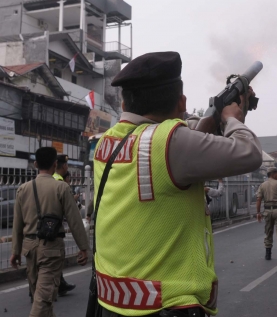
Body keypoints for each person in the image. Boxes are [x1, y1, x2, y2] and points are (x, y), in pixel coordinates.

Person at [92, 52, 262, 317]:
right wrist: (232, 117)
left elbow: (182, 138)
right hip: (169, 305)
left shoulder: (107, 141)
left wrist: (215, 118)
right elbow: (249, 153)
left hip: (113, 303)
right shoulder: (170, 142)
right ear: (181, 101)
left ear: (124, 101)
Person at [10, 147, 89, 317]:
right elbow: (75, 221)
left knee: (42, 299)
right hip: (52, 250)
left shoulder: (23, 189)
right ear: (55, 164)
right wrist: (84, 248)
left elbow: (17, 224)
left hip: (29, 249)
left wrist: (15, 252)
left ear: (36, 164)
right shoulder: (61, 188)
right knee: (43, 302)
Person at [50, 154, 78, 297]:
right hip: (55, 227)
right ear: (64, 166)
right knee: (56, 259)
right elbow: (70, 213)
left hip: (43, 227)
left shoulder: (49, 179)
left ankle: (59, 284)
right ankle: (56, 286)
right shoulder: (61, 183)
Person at [256, 167, 277, 262]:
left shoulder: (262, 185)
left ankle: (268, 254)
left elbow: (259, 199)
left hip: (267, 212)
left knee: (268, 232)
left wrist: (258, 212)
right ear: (273, 174)